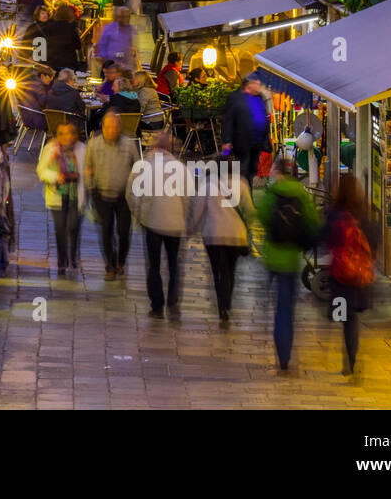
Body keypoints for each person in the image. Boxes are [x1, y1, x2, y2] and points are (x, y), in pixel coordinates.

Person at [256, 157, 321, 372]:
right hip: (291, 259)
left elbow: (263, 215)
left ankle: (276, 340)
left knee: (274, 304)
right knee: (285, 308)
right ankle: (284, 354)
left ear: (278, 171)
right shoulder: (301, 193)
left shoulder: (272, 192)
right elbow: (312, 222)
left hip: (273, 255)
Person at [130, 129, 190, 319]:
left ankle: (156, 303)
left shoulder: (144, 165)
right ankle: (173, 299)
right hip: (175, 223)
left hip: (152, 221)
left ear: (154, 145)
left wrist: (138, 214)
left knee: (154, 265)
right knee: (174, 264)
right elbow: (189, 196)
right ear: (170, 147)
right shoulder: (180, 167)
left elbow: (132, 193)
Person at [324, 174, 379, 377]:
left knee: (344, 317)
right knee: (352, 318)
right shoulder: (363, 213)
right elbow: (374, 238)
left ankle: (347, 355)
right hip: (360, 275)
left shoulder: (335, 213)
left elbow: (326, 237)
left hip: (341, 275)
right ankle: (352, 357)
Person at [190, 156, 254, 324]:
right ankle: (227, 302)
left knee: (217, 272)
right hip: (236, 236)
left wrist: (193, 228)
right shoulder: (242, 183)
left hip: (213, 235)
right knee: (230, 272)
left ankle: (221, 307)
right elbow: (250, 211)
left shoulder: (208, 184)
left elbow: (198, 210)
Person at [84, 111, 135, 278]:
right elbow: (88, 167)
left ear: (119, 128)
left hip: (124, 196)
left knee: (123, 231)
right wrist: (91, 188)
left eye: (115, 127)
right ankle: (110, 265)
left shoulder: (128, 145)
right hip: (102, 194)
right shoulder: (94, 144)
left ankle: (121, 261)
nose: (112, 131)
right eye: (108, 127)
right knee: (106, 231)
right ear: (103, 128)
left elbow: (137, 168)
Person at [37, 121, 87, 276]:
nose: (67, 137)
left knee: (73, 227)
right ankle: (62, 261)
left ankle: (73, 256)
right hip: (56, 195)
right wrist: (55, 176)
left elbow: (87, 171)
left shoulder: (82, 149)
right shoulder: (50, 149)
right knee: (60, 229)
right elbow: (41, 170)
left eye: (70, 133)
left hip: (75, 194)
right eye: (63, 133)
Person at [222, 72, 272, 184]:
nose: (260, 85)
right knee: (243, 171)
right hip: (242, 142)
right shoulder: (235, 97)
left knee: (252, 171)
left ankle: (248, 193)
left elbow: (264, 115)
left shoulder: (260, 97)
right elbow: (228, 120)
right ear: (249, 84)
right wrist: (227, 141)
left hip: (257, 143)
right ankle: (243, 195)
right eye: (257, 83)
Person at [95, 6, 138, 76]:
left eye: (125, 17)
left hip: (125, 69)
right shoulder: (109, 28)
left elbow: (133, 48)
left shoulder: (131, 30)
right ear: (117, 17)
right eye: (121, 17)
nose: (122, 19)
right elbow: (102, 47)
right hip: (110, 67)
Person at [42, 4, 83, 73]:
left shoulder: (49, 26)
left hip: (53, 61)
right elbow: (78, 45)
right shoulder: (71, 27)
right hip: (69, 62)